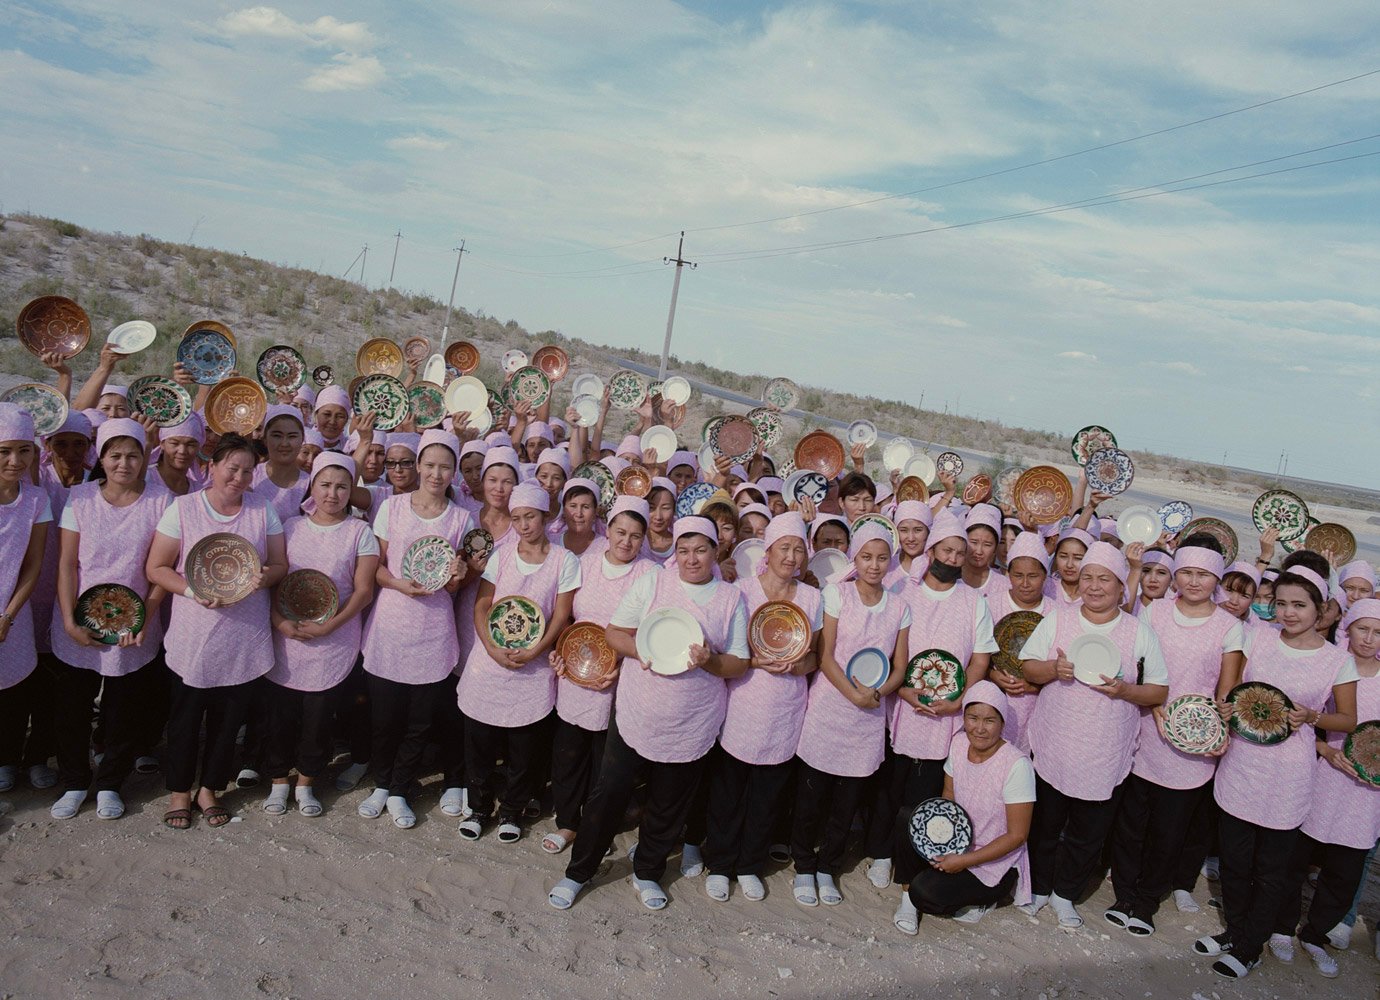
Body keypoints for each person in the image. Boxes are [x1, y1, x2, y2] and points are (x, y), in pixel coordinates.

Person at [549, 517, 749, 912]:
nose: (692, 559)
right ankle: (578, 872)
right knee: (609, 793)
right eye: (684, 550)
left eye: (701, 550)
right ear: (674, 552)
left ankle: (647, 872)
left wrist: (709, 662)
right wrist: (646, 651)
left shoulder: (729, 598)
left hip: (692, 719)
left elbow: (739, 663)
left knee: (668, 802)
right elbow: (615, 632)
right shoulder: (654, 582)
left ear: (716, 551)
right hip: (639, 711)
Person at [1196, 565, 1358, 980]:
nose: (1288, 613)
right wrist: (1227, 708)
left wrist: (1314, 716)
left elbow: (1349, 721)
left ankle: (1249, 946)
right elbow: (1230, 691)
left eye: (1299, 605)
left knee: (1271, 869)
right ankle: (1236, 931)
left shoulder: (1336, 661)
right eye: (1281, 603)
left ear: (1321, 610)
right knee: (1234, 861)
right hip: (1241, 765)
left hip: (1288, 775)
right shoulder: (1257, 638)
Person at [1019, 541, 1169, 929]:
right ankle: (1038, 888)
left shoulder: (1138, 631)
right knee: (1046, 824)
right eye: (1088, 577)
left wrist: (1125, 691)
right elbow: (1029, 667)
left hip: (1105, 748)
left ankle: (1065, 894)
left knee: (1088, 830)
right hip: (1056, 741)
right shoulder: (1057, 618)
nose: (1095, 586)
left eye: (1105, 579)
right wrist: (1054, 668)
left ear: (1122, 586)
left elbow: (1158, 690)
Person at [145, 433, 289, 829]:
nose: (239, 477)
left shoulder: (263, 509)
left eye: (247, 470)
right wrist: (193, 590)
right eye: (232, 468)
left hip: (243, 636)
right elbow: (156, 568)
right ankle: (179, 790)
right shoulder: (184, 508)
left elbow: (279, 564)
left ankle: (209, 788)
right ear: (211, 467)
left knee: (228, 721)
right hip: (195, 634)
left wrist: (260, 579)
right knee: (186, 717)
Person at [1107, 543, 1243, 935]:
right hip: (1146, 728)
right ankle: (1124, 895)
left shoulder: (1229, 627)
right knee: (1132, 822)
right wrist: (1153, 708)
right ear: (1176, 574)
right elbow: (1139, 667)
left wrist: (1220, 729)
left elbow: (1226, 691)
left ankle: (1147, 902)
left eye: (1203, 575)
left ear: (1217, 578)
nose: (1194, 581)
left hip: (1191, 744)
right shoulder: (1155, 612)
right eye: (1186, 573)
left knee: (1170, 830)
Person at [871, 511, 997, 900]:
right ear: (931, 550)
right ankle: (878, 853)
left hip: (947, 712)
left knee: (927, 789)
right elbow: (887, 649)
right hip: (902, 705)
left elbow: (979, 659)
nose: (955, 558)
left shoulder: (974, 601)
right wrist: (903, 691)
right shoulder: (901, 592)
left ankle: (909, 859)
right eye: (948, 550)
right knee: (890, 783)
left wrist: (959, 699)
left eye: (961, 552)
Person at [50, 418, 170, 820]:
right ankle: (73, 781)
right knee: (72, 708)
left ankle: (109, 784)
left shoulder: (161, 500)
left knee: (123, 709)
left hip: (134, 625)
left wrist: (145, 620)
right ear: (100, 458)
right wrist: (69, 620)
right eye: (114, 455)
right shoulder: (80, 498)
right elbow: (67, 564)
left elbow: (161, 567)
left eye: (133, 454)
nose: (124, 463)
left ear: (145, 456)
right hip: (80, 619)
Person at [790, 523, 911, 908]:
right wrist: (853, 695)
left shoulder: (899, 607)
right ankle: (804, 865)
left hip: (869, 714)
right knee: (813, 796)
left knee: (847, 801)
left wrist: (877, 693)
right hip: (830, 707)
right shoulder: (837, 595)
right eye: (866, 557)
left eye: (881, 558)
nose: (874, 566)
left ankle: (828, 866)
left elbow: (900, 666)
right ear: (854, 559)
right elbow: (825, 656)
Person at [703, 512, 821, 902]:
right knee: (729, 789)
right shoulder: (742, 590)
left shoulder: (811, 598)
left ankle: (749, 864)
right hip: (744, 699)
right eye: (784, 548)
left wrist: (796, 664)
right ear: (766, 552)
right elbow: (730, 649)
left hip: (786, 704)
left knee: (768, 793)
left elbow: (814, 657)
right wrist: (755, 662)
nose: (791, 556)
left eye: (798, 549)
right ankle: (720, 863)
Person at [357, 429, 471, 829]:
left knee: (419, 721)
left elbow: (455, 583)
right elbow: (376, 565)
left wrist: (458, 575)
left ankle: (401, 789)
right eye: (430, 465)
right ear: (418, 466)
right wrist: (398, 584)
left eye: (445, 467)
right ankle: (382, 784)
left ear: (454, 472)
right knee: (385, 717)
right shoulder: (392, 507)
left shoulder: (461, 518)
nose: (437, 474)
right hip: (391, 622)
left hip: (433, 629)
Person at [457, 481, 578, 842]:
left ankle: (511, 810)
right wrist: (491, 648)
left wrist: (536, 650)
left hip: (533, 664)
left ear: (545, 516)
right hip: (489, 661)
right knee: (478, 741)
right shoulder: (502, 555)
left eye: (530, 517)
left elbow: (561, 613)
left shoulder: (564, 560)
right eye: (517, 518)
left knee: (522, 748)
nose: (523, 525)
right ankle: (478, 808)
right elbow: (482, 604)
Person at [263, 453, 378, 818]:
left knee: (318, 717)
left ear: (351, 491)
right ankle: (279, 781)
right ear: (312, 486)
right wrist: (279, 621)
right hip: (287, 635)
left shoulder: (359, 532)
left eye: (342, 486)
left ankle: (307, 783)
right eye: (325, 485)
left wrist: (331, 625)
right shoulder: (290, 526)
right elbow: (273, 579)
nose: (333, 494)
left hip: (334, 638)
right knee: (280, 716)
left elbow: (363, 591)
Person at [1271, 597, 1380, 978]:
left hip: (1366, 793)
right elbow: (1307, 723)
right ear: (1346, 627)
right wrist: (1325, 750)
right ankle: (1282, 927)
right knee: (1296, 859)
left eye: (1378, 632)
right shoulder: (1330, 664)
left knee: (1345, 869)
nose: (1369, 639)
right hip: (1321, 776)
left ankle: (1316, 934)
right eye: (1363, 628)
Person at [544, 496, 655, 855]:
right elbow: (566, 617)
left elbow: (648, 631)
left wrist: (620, 667)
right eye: (620, 532)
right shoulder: (584, 564)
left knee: (604, 760)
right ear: (607, 531)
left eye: (635, 536)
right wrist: (560, 653)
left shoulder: (651, 573)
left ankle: (594, 828)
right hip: (576, 671)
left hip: (620, 679)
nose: (626, 541)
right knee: (569, 752)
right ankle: (566, 823)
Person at [894, 680, 1034, 934]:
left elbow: (1017, 835)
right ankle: (907, 900)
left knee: (925, 892)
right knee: (908, 818)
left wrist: (964, 860)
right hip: (959, 843)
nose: (979, 728)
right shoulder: (959, 743)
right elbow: (948, 796)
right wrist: (941, 843)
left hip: (992, 862)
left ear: (1002, 723)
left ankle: (984, 899)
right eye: (972, 718)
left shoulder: (1016, 765)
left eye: (990, 720)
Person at [0, 404, 53, 793]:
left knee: (13, 693)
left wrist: (9, 615)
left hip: (12, 614)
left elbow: (33, 564)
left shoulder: (35, 500)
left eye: (24, 450)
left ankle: (9, 759)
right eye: (4, 451)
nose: (15, 460)